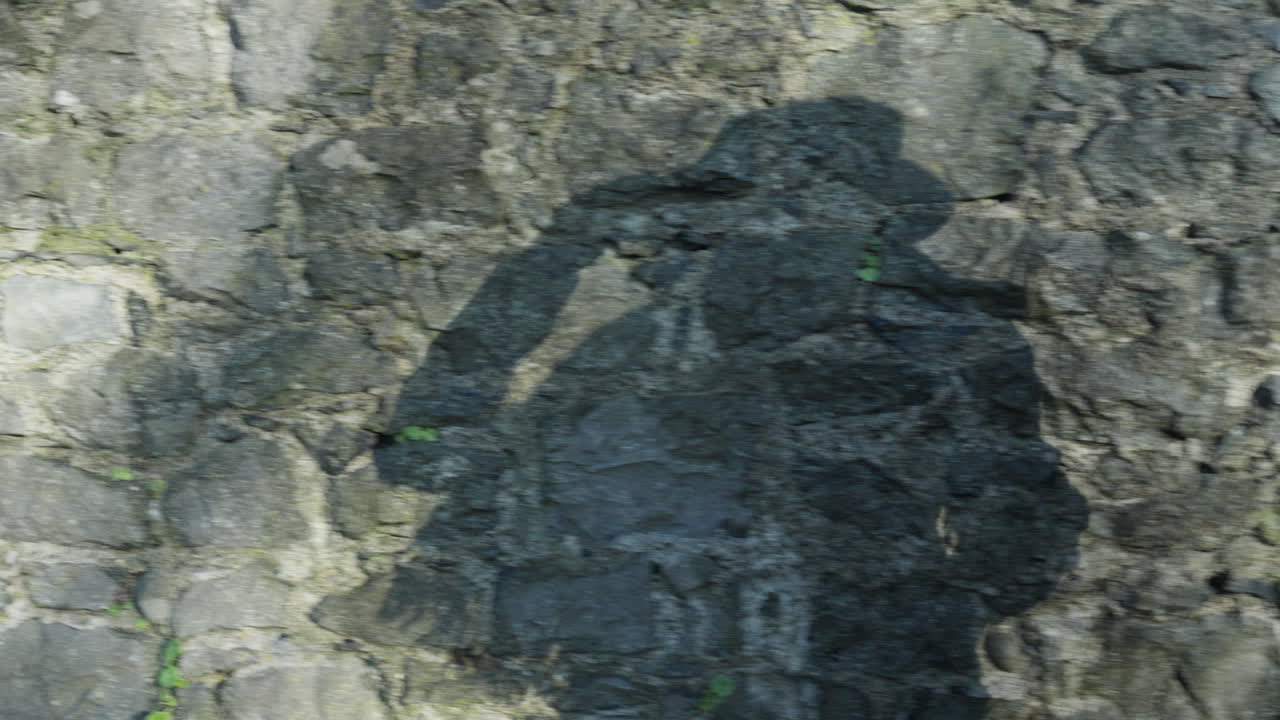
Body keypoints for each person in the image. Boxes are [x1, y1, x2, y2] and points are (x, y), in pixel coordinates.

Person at [365, 97, 1087, 719]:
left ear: (868, 226)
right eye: (761, 215)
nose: (780, 235)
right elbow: (424, 457)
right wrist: (558, 254)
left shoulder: (954, 342)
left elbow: (1026, 522)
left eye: (806, 211)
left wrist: (918, 613)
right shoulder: (633, 351)